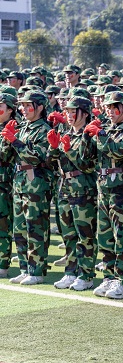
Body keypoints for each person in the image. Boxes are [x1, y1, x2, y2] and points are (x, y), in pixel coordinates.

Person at [80, 91, 123, 299]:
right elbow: (86, 159)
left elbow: (119, 151)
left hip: (122, 190)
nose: (111, 111)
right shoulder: (105, 129)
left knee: (122, 237)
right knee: (104, 237)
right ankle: (109, 276)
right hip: (103, 188)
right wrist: (87, 137)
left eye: (115, 107)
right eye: (108, 107)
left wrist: (101, 135)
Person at [2, 91, 54, 285]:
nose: (23, 109)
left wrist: (15, 141)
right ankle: (25, 268)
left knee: (36, 228)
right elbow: (6, 156)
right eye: (22, 105)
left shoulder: (44, 129)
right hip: (20, 182)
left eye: (28, 105)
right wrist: (7, 140)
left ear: (39, 107)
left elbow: (36, 157)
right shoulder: (23, 127)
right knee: (20, 229)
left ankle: (37, 270)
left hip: (36, 183)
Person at [47, 95, 98, 291]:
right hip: (65, 186)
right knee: (68, 234)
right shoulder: (66, 133)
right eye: (67, 111)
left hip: (83, 188)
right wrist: (54, 148)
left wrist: (68, 150)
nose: (68, 114)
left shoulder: (89, 134)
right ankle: (71, 272)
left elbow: (87, 165)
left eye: (72, 111)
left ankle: (85, 275)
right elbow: (51, 163)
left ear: (84, 113)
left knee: (85, 235)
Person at [0, 93, 17, 279]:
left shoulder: (13, 128)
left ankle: (2, 263)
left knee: (2, 225)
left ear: (10, 110)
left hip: (4, 184)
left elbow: (5, 156)